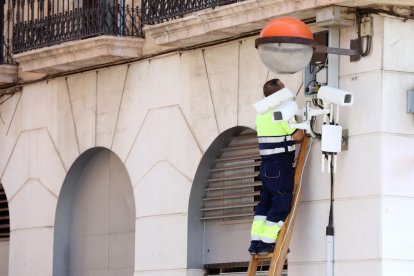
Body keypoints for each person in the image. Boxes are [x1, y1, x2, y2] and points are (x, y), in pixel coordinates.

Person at [248, 79, 304, 255]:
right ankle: (267, 243)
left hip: (266, 165)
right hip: (280, 164)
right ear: (280, 93)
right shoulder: (281, 111)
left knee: (265, 203)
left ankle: (256, 243)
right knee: (281, 202)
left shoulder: (261, 113)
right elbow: (299, 136)